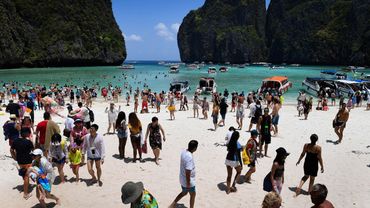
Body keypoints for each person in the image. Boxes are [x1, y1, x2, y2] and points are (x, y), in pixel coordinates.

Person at [170, 140, 198, 208]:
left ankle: (173, 204)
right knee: (193, 194)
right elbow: (188, 171)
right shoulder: (189, 157)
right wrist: (188, 183)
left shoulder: (184, 152)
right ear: (195, 148)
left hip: (182, 178)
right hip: (188, 181)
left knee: (184, 193)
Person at [10, 127, 34, 199]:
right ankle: (26, 194)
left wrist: (14, 157)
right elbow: (33, 151)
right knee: (26, 176)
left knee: (24, 174)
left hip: (20, 161)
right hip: (27, 161)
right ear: (26, 133)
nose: (29, 134)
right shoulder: (28, 142)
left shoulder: (15, 141)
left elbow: (11, 150)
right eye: (29, 133)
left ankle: (25, 186)